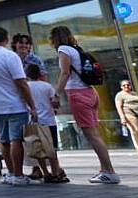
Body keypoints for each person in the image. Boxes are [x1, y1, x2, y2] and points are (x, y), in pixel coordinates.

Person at [50, 25, 119, 184]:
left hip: (78, 94)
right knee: (96, 134)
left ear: (55, 38)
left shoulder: (64, 50)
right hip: (90, 92)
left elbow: (65, 73)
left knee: (92, 136)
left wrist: (56, 94)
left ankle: (110, 171)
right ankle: (105, 170)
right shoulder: (77, 49)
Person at [0, 28, 37, 187]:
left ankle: (10, 173)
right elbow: (21, 83)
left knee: (3, 141)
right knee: (16, 139)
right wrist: (32, 105)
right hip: (15, 105)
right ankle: (18, 174)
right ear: (7, 39)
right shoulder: (10, 56)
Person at [25, 63, 67, 183]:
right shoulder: (47, 86)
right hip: (49, 121)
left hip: (32, 121)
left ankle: (45, 173)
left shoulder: (26, 87)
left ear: (27, 75)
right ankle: (55, 173)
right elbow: (55, 103)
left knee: (37, 150)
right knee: (52, 150)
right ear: (39, 74)